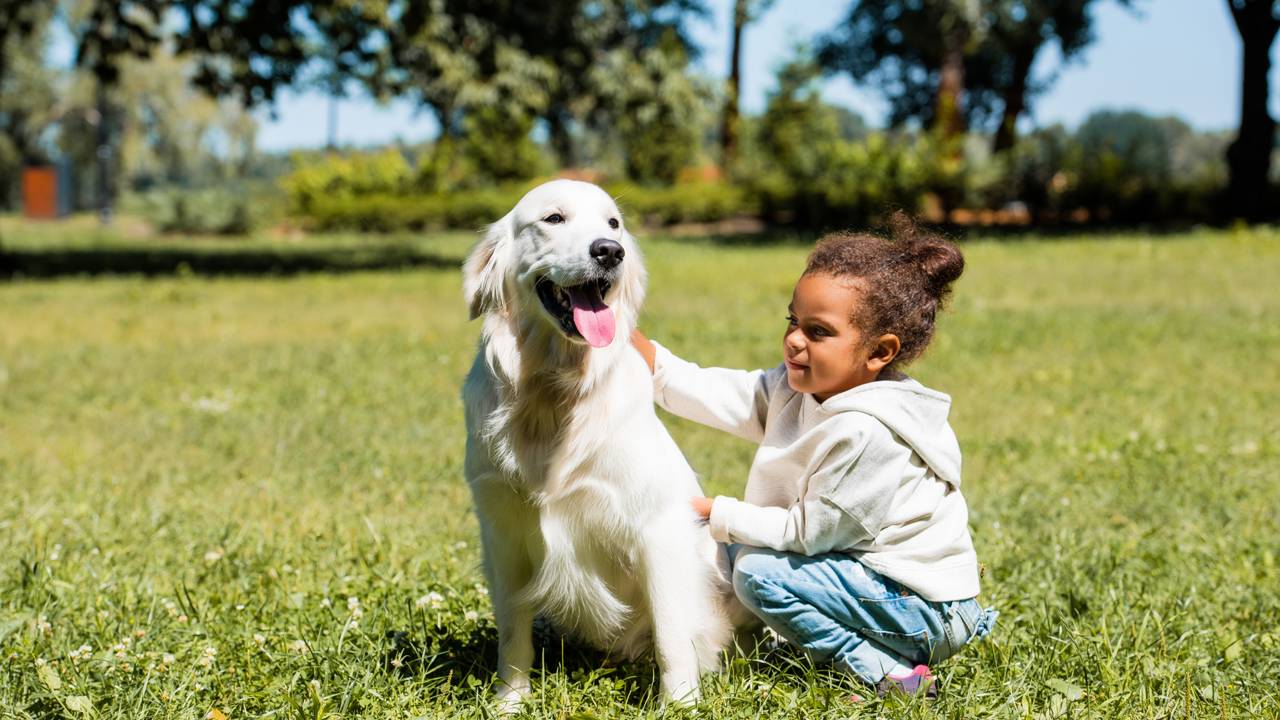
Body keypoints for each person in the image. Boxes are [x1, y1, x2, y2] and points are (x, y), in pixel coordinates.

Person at [631, 218, 996, 699]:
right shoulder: (797, 387)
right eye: (792, 321)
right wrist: (645, 354)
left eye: (818, 331)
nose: (795, 341)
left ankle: (886, 673)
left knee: (756, 571)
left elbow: (808, 534)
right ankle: (759, 637)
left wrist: (714, 510)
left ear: (879, 352)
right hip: (875, 584)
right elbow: (724, 394)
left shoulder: (867, 433)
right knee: (742, 550)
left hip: (926, 610)